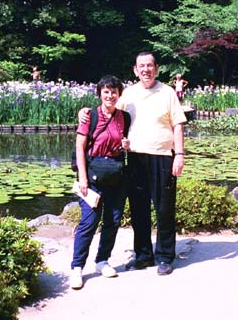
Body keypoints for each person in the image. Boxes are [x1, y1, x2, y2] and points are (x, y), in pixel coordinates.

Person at [79, 52, 187, 276]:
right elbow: (107, 107)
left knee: (164, 208)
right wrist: (84, 112)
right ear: (135, 70)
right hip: (135, 158)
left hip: (163, 157)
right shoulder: (128, 94)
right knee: (139, 210)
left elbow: (178, 125)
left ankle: (165, 256)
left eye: (150, 65)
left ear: (156, 68)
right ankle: (144, 255)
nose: (146, 69)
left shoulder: (167, 93)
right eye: (141, 66)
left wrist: (180, 154)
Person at [70, 75, 131, 290]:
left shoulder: (124, 117)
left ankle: (102, 260)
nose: (110, 95)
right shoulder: (90, 116)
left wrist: (125, 145)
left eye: (114, 92)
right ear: (99, 94)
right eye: (106, 91)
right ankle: (77, 267)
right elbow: (80, 147)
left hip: (116, 175)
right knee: (89, 221)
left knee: (113, 220)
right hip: (93, 176)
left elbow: (124, 146)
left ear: (119, 95)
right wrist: (82, 178)